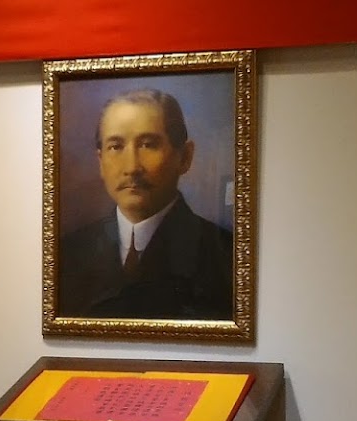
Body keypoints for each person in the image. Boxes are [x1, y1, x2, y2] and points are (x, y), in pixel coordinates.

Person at [57, 88, 234, 320]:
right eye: (116, 146)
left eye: (148, 144)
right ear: (100, 161)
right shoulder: (68, 254)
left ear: (184, 157)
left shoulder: (225, 257)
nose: (132, 167)